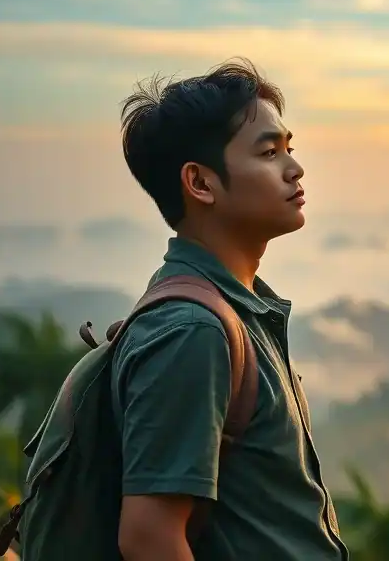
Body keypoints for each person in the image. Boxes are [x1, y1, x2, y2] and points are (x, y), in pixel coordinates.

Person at [114, 59, 348, 560]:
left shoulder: (234, 312)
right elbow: (149, 537)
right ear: (200, 183)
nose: (295, 169)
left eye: (289, 149)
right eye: (268, 152)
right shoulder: (192, 330)